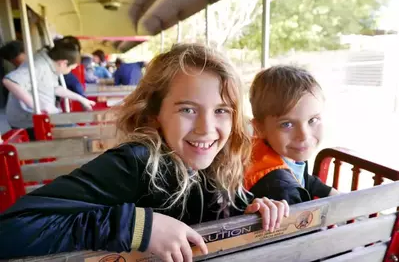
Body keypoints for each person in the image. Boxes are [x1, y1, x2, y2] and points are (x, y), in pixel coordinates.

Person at [0, 43, 289, 260]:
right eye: (187, 109)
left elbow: (216, 210)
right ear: (154, 114)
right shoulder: (133, 163)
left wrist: (251, 210)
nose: (206, 127)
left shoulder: (216, 164)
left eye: (222, 110)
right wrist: (138, 227)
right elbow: (10, 231)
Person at [245, 65, 339, 205]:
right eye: (287, 124)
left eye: (312, 120)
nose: (303, 135)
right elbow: (301, 225)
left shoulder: (287, 151)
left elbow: (302, 177)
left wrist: (328, 192)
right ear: (260, 128)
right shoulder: (281, 191)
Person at [2, 41, 95, 140]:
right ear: (63, 63)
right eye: (71, 68)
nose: (70, 71)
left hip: (42, 118)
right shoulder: (39, 65)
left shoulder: (50, 65)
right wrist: (35, 106)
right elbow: (9, 81)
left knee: (80, 133)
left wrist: (82, 99)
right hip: (29, 122)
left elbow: (55, 88)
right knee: (82, 137)